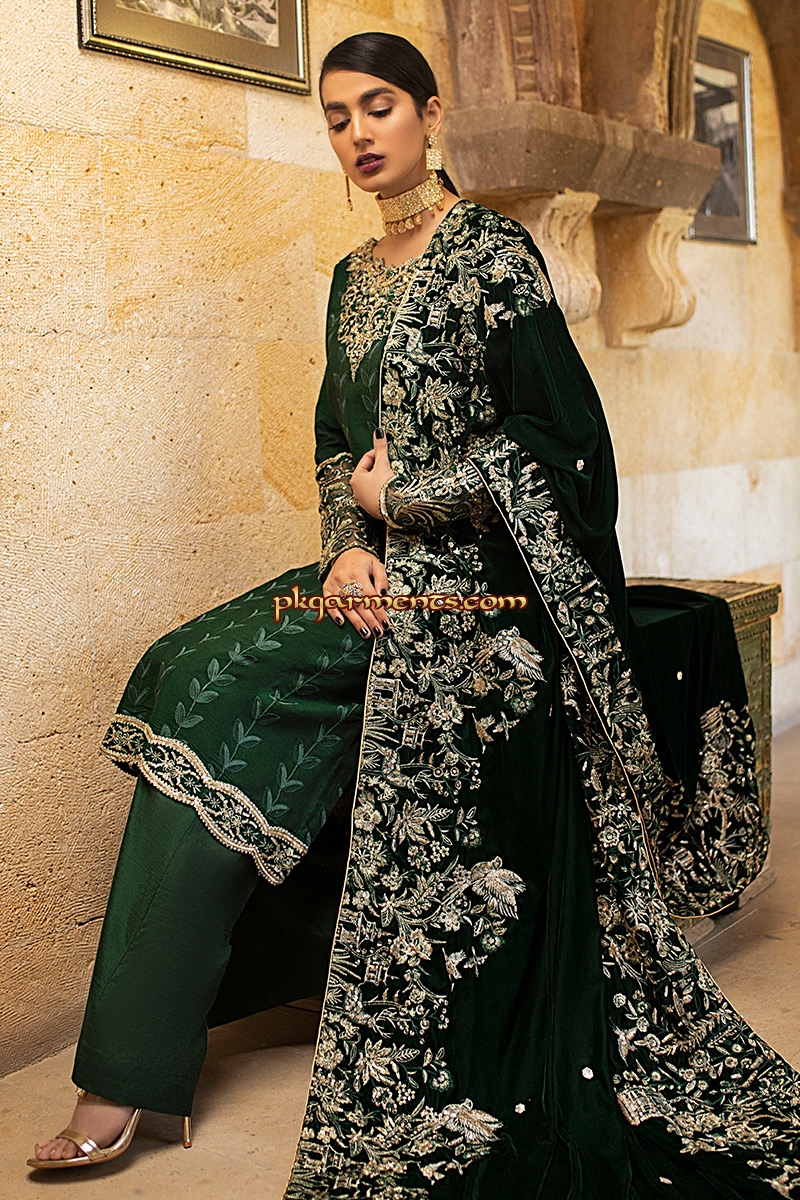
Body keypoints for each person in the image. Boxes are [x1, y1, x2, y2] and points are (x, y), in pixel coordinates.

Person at [29, 30, 800, 1198]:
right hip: (376, 583)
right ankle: (136, 1067)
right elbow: (332, 442)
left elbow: (561, 447)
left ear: (431, 115)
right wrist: (346, 546)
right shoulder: (352, 278)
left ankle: (119, 1085)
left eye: (378, 107)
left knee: (227, 701)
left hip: (483, 591)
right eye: (336, 116)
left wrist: (412, 499)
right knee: (185, 674)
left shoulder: (490, 252)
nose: (357, 134)